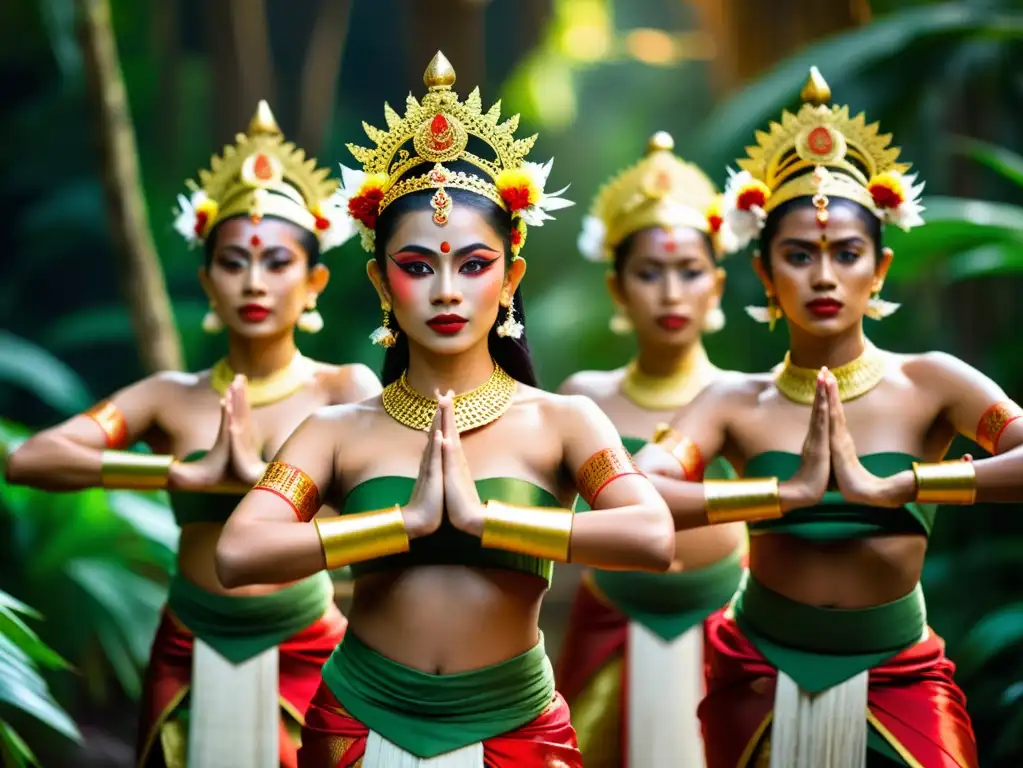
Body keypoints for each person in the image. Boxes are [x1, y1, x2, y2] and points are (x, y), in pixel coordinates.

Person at [213, 51, 676, 768]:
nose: (448, 291)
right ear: (380, 281)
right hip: (360, 723)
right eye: (419, 266)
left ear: (511, 274)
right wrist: (403, 525)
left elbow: (650, 535)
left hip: (514, 725)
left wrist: (488, 522)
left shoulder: (562, 423)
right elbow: (241, 552)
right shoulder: (339, 433)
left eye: (474, 263)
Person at [633, 67, 1002, 767]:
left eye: (847, 254)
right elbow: (637, 492)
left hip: (901, 672)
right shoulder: (734, 404)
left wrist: (909, 486)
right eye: (799, 256)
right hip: (758, 672)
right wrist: (781, 495)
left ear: (881, 269)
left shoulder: (931, 383)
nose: (825, 277)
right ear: (767, 276)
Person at [4, 101, 381, 768]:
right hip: (189, 647)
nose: (254, 281)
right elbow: (34, 457)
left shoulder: (343, 392)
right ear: (208, 280)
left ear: (314, 281)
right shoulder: (167, 400)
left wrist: (271, 492)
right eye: (234, 262)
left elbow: (396, 524)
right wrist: (176, 475)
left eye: (276, 262)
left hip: (308, 646)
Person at [554, 131, 745, 768]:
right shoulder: (586, 401)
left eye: (689, 272)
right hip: (611, 620)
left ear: (715, 286)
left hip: (731, 626)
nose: (670, 293)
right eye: (649, 273)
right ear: (617, 289)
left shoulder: (748, 398)